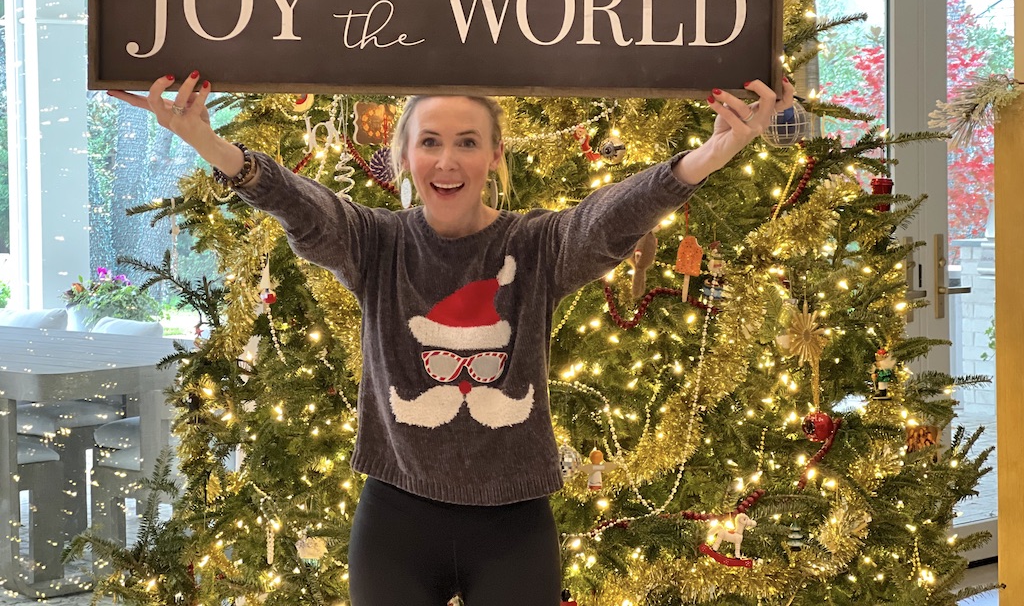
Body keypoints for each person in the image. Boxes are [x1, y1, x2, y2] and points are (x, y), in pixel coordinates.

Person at [108, 72, 794, 606]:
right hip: (396, 522)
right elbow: (300, 205)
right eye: (430, 140)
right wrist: (206, 139)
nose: (447, 158)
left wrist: (709, 155)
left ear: (495, 155)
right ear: (404, 154)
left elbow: (606, 221)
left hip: (516, 528)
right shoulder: (374, 243)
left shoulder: (537, 245)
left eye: (467, 141)